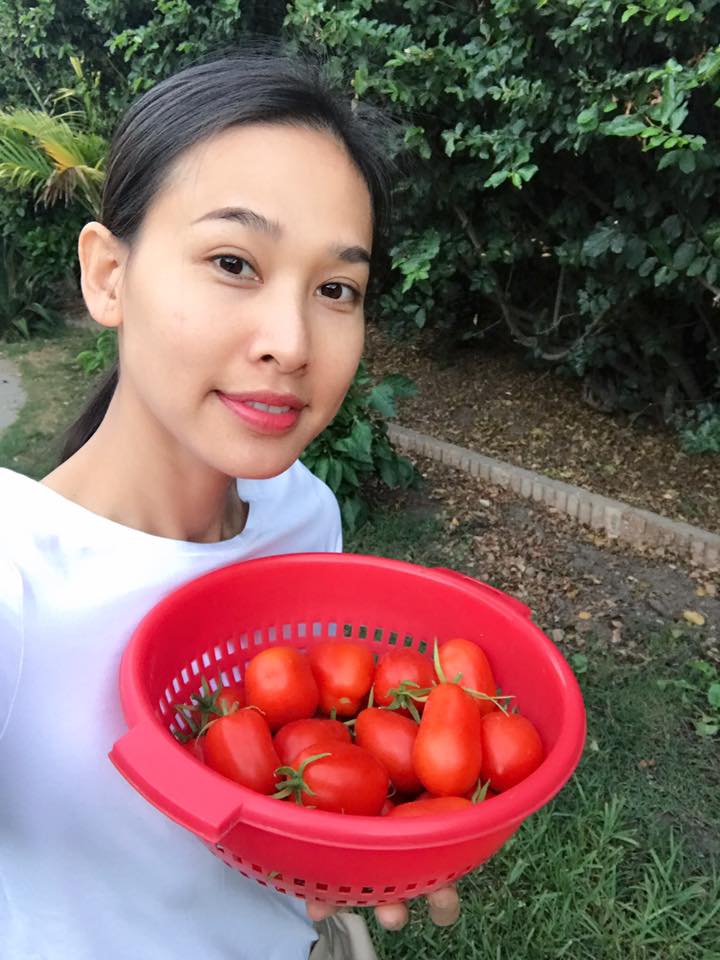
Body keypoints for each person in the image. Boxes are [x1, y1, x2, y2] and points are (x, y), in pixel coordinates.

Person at [0, 50, 459, 960]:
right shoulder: (18, 578)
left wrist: (387, 822)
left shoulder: (304, 515)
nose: (291, 343)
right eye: (233, 262)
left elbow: (299, 764)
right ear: (109, 276)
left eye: (336, 289)